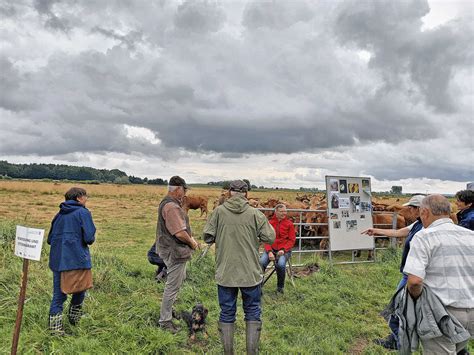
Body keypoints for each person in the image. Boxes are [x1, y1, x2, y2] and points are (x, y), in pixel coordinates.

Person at [203, 180, 275, 355]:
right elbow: (270, 237)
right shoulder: (255, 214)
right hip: (250, 273)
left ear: (229, 193)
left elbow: (207, 237)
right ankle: (252, 352)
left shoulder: (218, 212)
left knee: (227, 312)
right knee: (252, 311)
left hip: (226, 273)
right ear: (246, 194)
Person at [404, 194, 474, 354]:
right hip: (471, 310)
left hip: (442, 312)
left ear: (425, 213)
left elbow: (414, 281)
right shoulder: (470, 235)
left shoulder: (423, 237)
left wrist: (417, 300)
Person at [362, 194, 425, 350]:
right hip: (408, 272)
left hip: (414, 275)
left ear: (418, 210)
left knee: (397, 307)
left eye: (410, 208)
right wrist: (376, 230)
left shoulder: (426, 228)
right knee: (401, 306)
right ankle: (398, 338)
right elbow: (399, 232)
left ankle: (401, 342)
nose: (407, 211)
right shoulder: (418, 224)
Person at [47, 187, 96, 335]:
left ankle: (55, 330)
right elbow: (89, 238)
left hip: (58, 260)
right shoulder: (83, 212)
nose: (86, 199)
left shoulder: (58, 215)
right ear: (79, 198)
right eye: (85, 196)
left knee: (58, 296)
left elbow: (50, 240)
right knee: (80, 290)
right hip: (77, 259)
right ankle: (75, 319)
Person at [156, 176, 199, 333]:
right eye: (185, 190)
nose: (185, 193)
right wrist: (192, 242)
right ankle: (165, 321)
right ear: (178, 189)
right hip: (175, 251)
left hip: (169, 249)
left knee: (176, 281)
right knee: (172, 286)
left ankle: (169, 310)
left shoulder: (167, 202)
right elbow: (180, 233)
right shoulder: (172, 207)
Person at [260, 203, 296, 294]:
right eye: (281, 211)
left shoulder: (289, 224)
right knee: (261, 263)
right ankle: (258, 287)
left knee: (280, 264)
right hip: (271, 249)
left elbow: (292, 240)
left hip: (284, 250)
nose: (284, 213)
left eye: (285, 211)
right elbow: (265, 239)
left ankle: (280, 288)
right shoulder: (269, 223)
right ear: (276, 212)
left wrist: (283, 250)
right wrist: (269, 251)